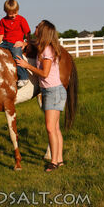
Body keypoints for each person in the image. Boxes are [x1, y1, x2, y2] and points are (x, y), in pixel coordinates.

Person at [15, 20, 67, 172]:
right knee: (55, 128)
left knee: (51, 128)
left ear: (42, 31)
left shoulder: (48, 50)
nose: (35, 28)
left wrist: (27, 66)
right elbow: (33, 42)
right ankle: (60, 160)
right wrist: (26, 43)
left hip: (53, 91)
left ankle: (54, 162)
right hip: (50, 91)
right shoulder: (42, 46)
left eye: (37, 27)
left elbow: (44, 73)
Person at [0, 0, 31, 88]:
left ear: (17, 10)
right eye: (10, 13)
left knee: (16, 55)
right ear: (6, 12)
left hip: (16, 43)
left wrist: (25, 42)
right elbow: (1, 34)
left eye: (15, 12)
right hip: (6, 42)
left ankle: (24, 77)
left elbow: (27, 33)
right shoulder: (3, 21)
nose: (13, 15)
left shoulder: (21, 20)